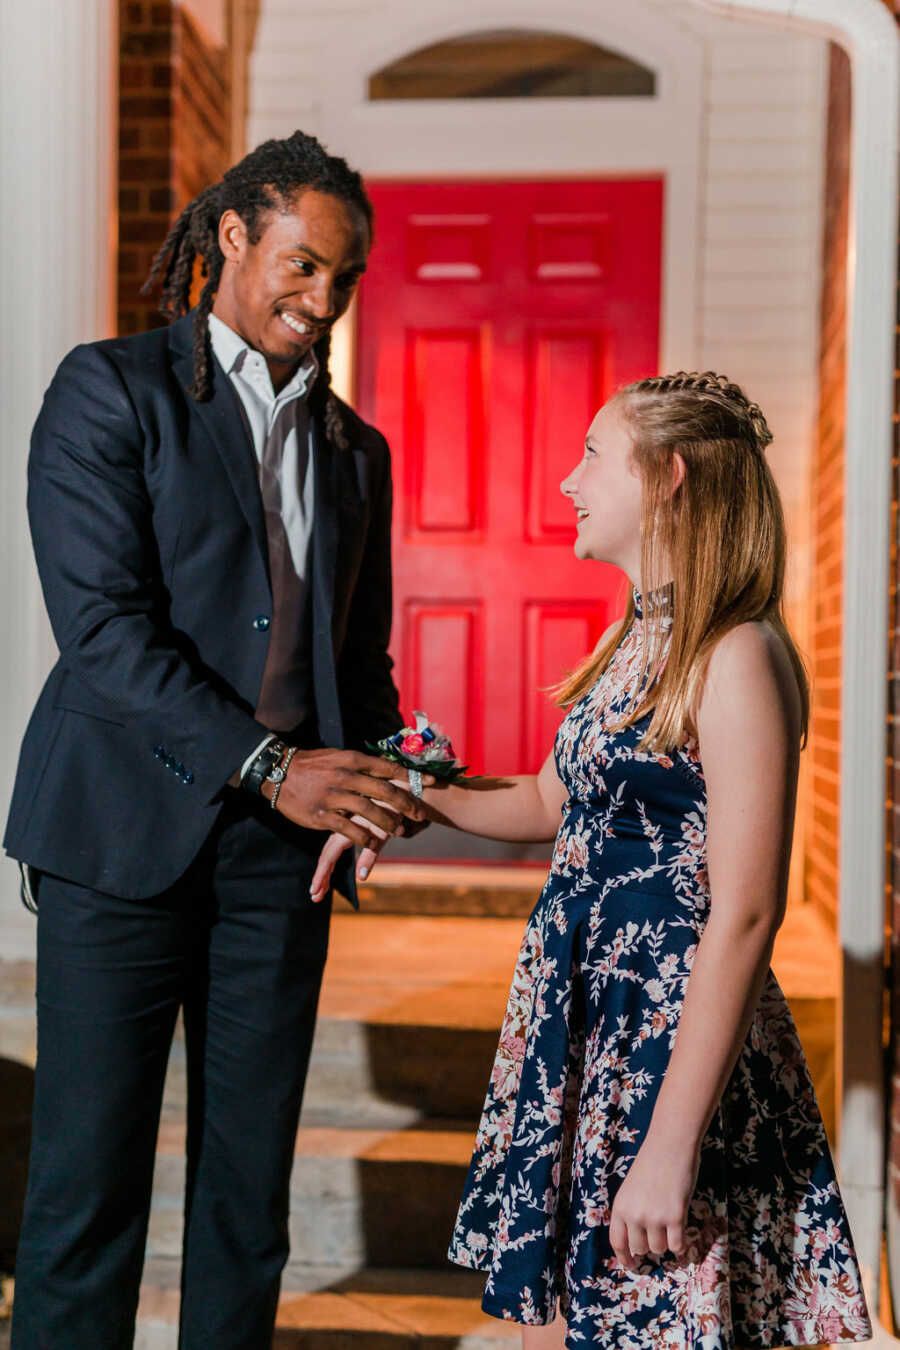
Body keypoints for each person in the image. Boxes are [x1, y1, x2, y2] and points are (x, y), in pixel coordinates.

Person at [311, 371, 872, 1349]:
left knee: (657, 1320)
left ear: (670, 478)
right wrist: (397, 791)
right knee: (563, 1324)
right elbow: (544, 802)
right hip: (582, 1034)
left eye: (592, 456)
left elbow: (745, 913)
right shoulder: (631, 640)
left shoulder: (735, 655)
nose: (570, 482)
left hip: (666, 1048)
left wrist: (668, 1145)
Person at [4, 130, 427, 1350]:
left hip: (278, 863)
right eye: (302, 265)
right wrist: (272, 767)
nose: (321, 299)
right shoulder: (110, 389)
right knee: (87, 1193)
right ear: (233, 237)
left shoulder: (358, 455)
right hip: (117, 840)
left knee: (248, 1200)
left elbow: (357, 661)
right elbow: (102, 632)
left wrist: (375, 781)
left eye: (344, 279)